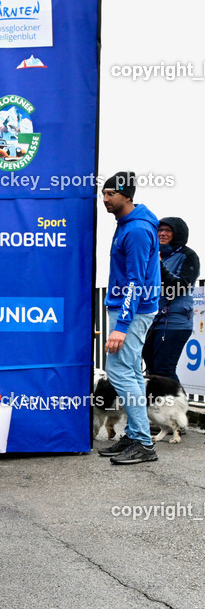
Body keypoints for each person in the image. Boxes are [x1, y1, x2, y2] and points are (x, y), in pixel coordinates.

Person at [97, 172, 161, 465]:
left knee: (121, 373)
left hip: (131, 313)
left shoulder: (135, 230)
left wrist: (121, 326)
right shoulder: (127, 225)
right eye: (104, 193)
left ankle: (144, 443)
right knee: (132, 373)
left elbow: (136, 282)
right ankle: (136, 435)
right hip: (131, 310)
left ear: (127, 196)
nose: (105, 198)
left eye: (111, 193)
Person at [144, 217, 199, 382]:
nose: (162, 234)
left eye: (168, 230)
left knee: (164, 370)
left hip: (175, 321)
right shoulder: (152, 254)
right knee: (152, 371)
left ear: (178, 234)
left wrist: (159, 266)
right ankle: (158, 407)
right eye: (160, 230)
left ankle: (179, 407)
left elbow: (180, 286)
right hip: (151, 320)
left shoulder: (188, 256)